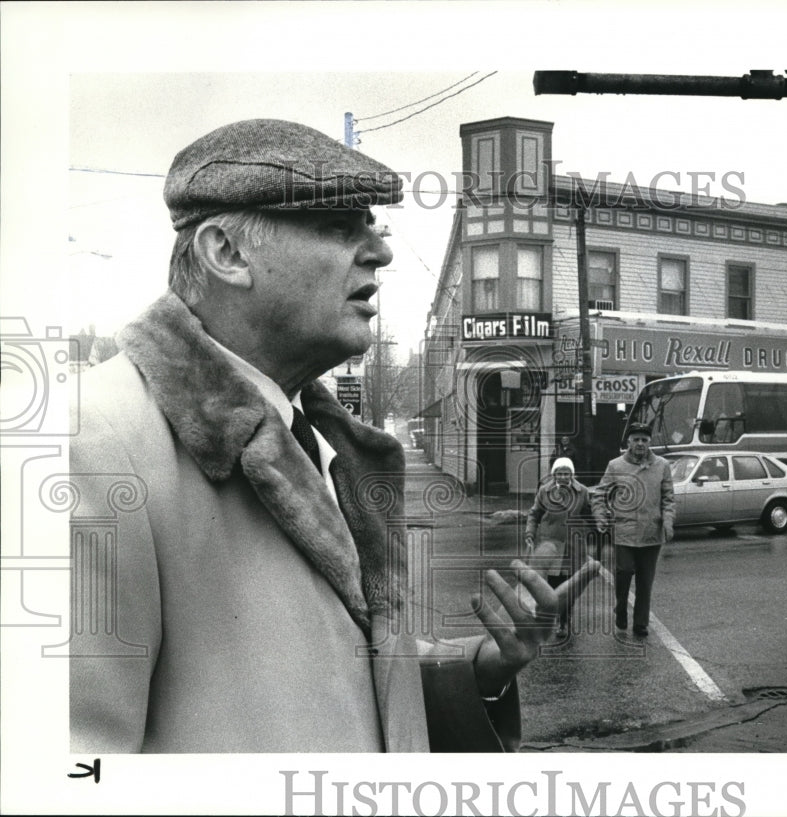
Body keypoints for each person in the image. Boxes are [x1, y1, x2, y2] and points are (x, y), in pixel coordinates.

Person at [68, 118, 598, 753]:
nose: (380, 251)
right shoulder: (89, 447)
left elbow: (345, 685)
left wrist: (484, 664)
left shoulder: (324, 445)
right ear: (227, 253)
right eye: (339, 228)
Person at [590, 422, 675, 638]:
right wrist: (600, 517)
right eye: (636, 439)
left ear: (649, 442)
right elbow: (599, 495)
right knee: (624, 572)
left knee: (645, 582)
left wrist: (668, 521)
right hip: (624, 532)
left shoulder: (662, 465)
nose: (640, 443)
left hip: (651, 534)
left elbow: (668, 498)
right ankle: (620, 608)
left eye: (644, 440)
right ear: (628, 442)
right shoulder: (615, 466)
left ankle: (640, 624)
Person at [525, 457, 593, 638]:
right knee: (553, 584)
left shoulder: (582, 491)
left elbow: (589, 513)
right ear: (554, 474)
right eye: (559, 473)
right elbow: (534, 514)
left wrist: (601, 524)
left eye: (566, 473)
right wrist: (530, 533)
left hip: (573, 545)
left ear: (572, 474)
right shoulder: (544, 491)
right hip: (551, 544)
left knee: (569, 585)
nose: (563, 477)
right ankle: (552, 618)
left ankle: (564, 620)